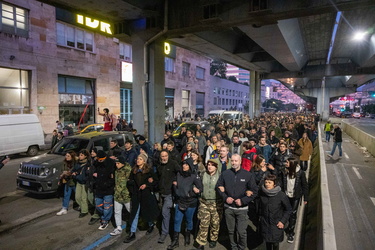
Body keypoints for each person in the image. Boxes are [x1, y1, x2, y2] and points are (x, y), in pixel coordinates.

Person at [216, 154, 258, 250]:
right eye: (232, 161)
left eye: (236, 161)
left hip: (242, 209)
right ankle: (233, 247)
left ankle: (242, 248)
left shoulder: (247, 175)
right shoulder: (225, 173)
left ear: (240, 162)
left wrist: (243, 200)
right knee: (231, 231)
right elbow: (218, 187)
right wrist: (225, 197)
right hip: (229, 208)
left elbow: (255, 191)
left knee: (241, 232)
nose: (234, 163)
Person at [168, 158, 203, 249]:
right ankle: (175, 241)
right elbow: (174, 184)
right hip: (180, 201)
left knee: (189, 220)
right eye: (183, 164)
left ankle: (187, 236)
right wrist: (176, 190)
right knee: (177, 220)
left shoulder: (194, 176)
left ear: (190, 166)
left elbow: (200, 188)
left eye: (187, 164)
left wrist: (190, 193)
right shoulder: (179, 174)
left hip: (191, 202)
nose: (184, 166)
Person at [124, 153, 159, 243]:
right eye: (137, 159)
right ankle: (132, 233)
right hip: (136, 195)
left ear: (144, 161)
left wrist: (147, 185)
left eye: (140, 159)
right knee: (135, 213)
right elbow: (129, 181)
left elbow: (155, 181)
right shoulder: (134, 170)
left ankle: (151, 225)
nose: (138, 160)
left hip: (145, 195)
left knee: (147, 211)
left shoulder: (149, 170)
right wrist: (133, 189)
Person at [195, 158, 223, 249]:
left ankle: (213, 239)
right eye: (208, 164)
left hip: (216, 203)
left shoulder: (220, 176)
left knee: (215, 223)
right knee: (203, 223)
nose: (210, 166)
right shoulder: (203, 174)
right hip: (204, 202)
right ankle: (201, 242)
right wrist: (194, 188)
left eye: (212, 165)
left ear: (216, 167)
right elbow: (195, 183)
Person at [259, 174, 292, 250]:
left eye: (269, 182)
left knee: (275, 243)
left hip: (276, 224)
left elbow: (288, 209)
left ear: (275, 184)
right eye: (266, 182)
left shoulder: (281, 195)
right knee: (267, 243)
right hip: (265, 224)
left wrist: (282, 221)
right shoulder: (262, 193)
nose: (267, 184)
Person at [281, 157, 308, 244]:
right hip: (286, 195)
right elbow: (281, 182)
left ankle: (291, 232)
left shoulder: (300, 173)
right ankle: (285, 224)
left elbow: (304, 185)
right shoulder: (284, 171)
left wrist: (306, 198)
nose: (286, 163)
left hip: (295, 196)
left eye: (287, 162)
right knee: (285, 211)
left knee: (293, 213)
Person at [156, 150, 180, 244]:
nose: (164, 158)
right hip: (161, 192)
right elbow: (158, 177)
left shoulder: (173, 164)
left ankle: (165, 233)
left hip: (170, 193)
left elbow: (179, 173)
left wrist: (175, 181)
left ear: (168, 156)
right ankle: (170, 229)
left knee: (165, 212)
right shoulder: (159, 165)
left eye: (165, 156)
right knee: (165, 213)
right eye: (162, 156)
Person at [93, 150, 116, 230]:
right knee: (98, 205)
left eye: (101, 160)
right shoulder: (96, 164)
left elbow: (112, 178)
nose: (100, 161)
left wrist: (107, 184)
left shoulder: (110, 164)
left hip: (107, 190)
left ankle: (105, 220)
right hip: (99, 189)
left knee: (107, 206)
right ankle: (107, 215)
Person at [110, 156, 132, 236]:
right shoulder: (116, 170)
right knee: (117, 211)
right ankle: (118, 227)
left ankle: (136, 223)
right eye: (116, 163)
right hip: (117, 194)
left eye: (118, 163)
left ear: (122, 163)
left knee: (131, 210)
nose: (116, 165)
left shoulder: (128, 170)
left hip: (126, 195)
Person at [56, 151, 77, 216]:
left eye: (68, 156)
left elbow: (76, 171)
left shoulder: (75, 163)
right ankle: (64, 208)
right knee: (66, 195)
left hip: (74, 182)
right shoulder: (64, 163)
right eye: (66, 155)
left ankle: (83, 206)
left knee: (78, 195)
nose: (66, 157)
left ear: (72, 157)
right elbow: (62, 171)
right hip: (67, 182)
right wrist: (62, 176)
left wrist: (68, 173)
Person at [71, 149, 91, 218]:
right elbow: (73, 170)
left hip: (84, 183)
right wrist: (73, 173)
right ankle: (84, 207)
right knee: (77, 197)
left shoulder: (88, 164)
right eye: (79, 155)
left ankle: (84, 211)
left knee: (83, 198)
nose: (80, 156)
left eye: (81, 155)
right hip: (79, 182)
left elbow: (85, 176)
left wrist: (76, 175)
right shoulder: (78, 163)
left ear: (86, 156)